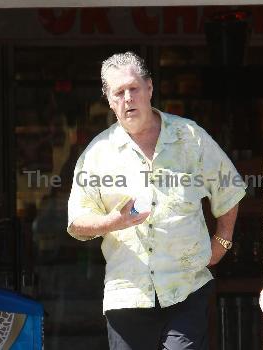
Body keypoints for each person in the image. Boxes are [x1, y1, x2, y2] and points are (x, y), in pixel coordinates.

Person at [67, 51, 246, 350]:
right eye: (118, 93)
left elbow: (229, 187)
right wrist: (115, 221)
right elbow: (76, 221)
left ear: (149, 88)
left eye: (133, 89)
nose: (127, 98)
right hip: (128, 294)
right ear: (109, 100)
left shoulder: (190, 137)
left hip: (186, 288)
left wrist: (223, 241)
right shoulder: (98, 153)